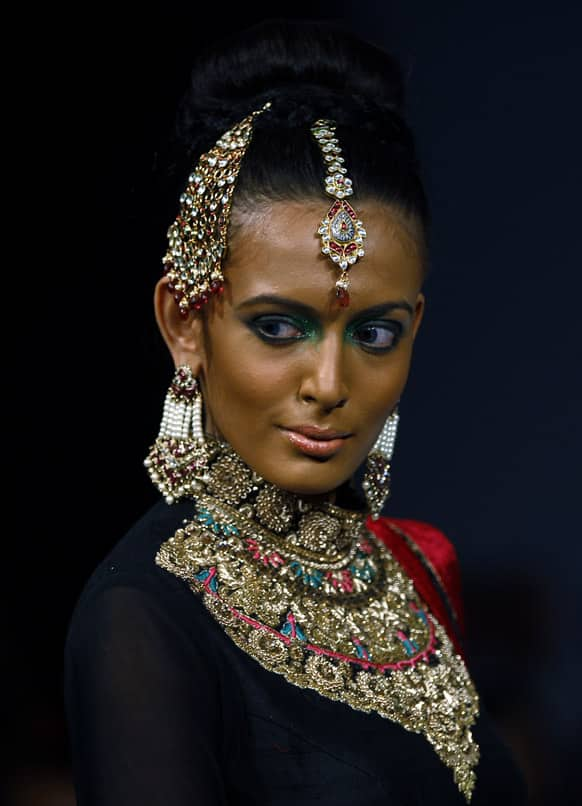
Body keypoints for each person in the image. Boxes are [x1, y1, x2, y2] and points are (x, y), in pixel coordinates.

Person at [63, 18, 529, 806]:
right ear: (186, 321)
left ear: (416, 327)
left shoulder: (414, 573)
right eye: (278, 327)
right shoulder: (143, 620)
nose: (328, 382)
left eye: (375, 332)